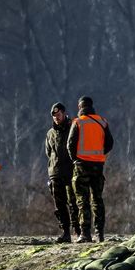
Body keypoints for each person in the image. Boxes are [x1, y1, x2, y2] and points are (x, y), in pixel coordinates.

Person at [68, 96, 113, 243]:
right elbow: (110, 143)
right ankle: (99, 234)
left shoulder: (78, 122)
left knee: (82, 201)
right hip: (98, 166)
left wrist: (75, 159)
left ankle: (85, 234)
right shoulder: (102, 121)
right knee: (97, 200)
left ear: (79, 107)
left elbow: (70, 144)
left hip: (81, 165)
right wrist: (99, 154)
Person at [45, 102, 80, 243]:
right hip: (56, 172)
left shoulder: (73, 127)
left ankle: (78, 231)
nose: (56, 118)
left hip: (71, 171)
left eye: (58, 115)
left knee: (74, 202)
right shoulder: (50, 133)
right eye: (54, 116)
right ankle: (65, 232)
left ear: (64, 113)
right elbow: (48, 152)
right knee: (59, 204)